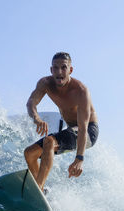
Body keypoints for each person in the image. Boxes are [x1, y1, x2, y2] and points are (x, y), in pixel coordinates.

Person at [24, 52, 99, 191]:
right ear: (51, 70)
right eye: (56, 68)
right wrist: (37, 119)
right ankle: (40, 190)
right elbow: (30, 103)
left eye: (64, 67)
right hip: (72, 129)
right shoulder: (45, 83)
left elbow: (82, 128)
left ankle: (39, 187)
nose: (59, 72)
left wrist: (79, 158)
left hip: (88, 131)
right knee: (29, 153)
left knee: (49, 142)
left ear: (70, 70)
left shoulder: (81, 91)